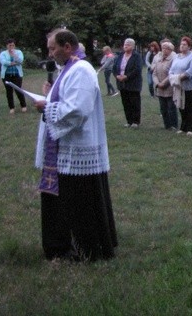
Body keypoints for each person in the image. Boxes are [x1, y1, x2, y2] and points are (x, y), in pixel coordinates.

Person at [33, 29, 117, 261]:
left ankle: (85, 248)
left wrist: (47, 107)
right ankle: (62, 244)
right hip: (63, 147)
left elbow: (78, 108)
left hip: (76, 146)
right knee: (65, 200)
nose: (50, 54)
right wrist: (50, 96)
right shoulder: (68, 68)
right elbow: (67, 99)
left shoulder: (81, 69)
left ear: (67, 46)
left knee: (80, 202)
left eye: (52, 48)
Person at [169, 36, 192, 136]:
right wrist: (173, 77)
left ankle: (191, 128)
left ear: (189, 46)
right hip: (178, 86)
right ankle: (183, 127)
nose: (182, 46)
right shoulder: (177, 56)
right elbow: (171, 70)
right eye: (181, 44)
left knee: (189, 107)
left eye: (184, 44)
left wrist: (180, 77)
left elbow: (191, 70)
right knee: (181, 107)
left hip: (189, 86)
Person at [114, 38, 143, 128]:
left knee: (134, 103)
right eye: (125, 44)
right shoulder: (120, 55)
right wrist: (117, 75)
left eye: (128, 44)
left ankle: (135, 122)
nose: (126, 45)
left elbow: (137, 69)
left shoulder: (136, 56)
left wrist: (127, 76)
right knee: (126, 103)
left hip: (133, 83)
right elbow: (115, 67)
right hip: (122, 83)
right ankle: (129, 121)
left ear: (133, 46)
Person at [151, 41, 178, 131]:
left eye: (166, 48)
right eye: (163, 48)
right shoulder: (158, 59)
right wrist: (158, 83)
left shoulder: (174, 59)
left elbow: (172, 73)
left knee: (171, 107)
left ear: (171, 50)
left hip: (169, 87)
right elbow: (154, 73)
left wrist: (164, 83)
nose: (164, 50)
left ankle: (174, 125)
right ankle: (167, 125)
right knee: (163, 108)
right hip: (160, 88)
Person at [0, 38, 27, 114]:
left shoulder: (18, 52)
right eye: (9, 45)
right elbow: (3, 62)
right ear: (7, 46)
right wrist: (14, 63)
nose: (11, 47)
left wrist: (14, 55)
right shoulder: (3, 53)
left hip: (17, 75)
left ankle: (23, 106)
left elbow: (20, 60)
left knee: (18, 90)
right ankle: (11, 108)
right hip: (6, 76)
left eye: (13, 45)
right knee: (9, 91)